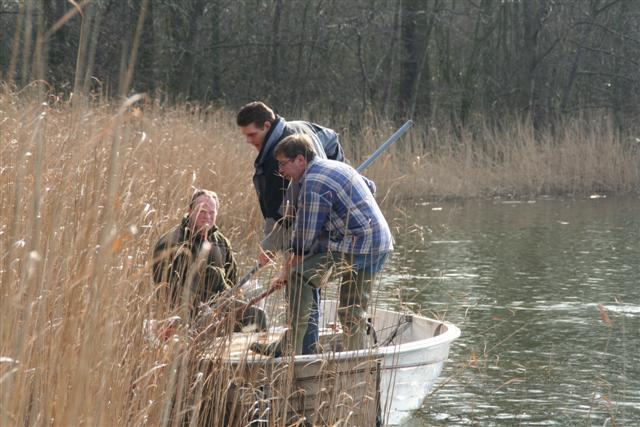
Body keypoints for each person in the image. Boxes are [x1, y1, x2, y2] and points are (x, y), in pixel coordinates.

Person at [250, 134, 393, 357]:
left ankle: (292, 350)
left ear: (300, 160)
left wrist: (287, 271)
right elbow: (370, 187)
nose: (280, 170)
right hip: (381, 243)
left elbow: (304, 240)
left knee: (299, 277)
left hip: (356, 246)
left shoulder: (313, 183)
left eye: (283, 164)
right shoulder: (335, 166)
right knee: (352, 310)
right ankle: (355, 358)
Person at [237, 101, 345, 353]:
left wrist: (270, 247)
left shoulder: (280, 153)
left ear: (267, 125)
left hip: (310, 224)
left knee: (300, 280)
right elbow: (331, 137)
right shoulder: (295, 130)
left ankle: (303, 349)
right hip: (303, 222)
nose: (249, 141)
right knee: (302, 280)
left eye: (252, 134)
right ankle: (301, 344)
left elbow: (284, 212)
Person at [152, 189, 267, 332]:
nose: (207, 217)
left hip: (219, 309)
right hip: (186, 316)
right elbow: (164, 291)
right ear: (190, 211)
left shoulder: (221, 242)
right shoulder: (170, 243)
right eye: (202, 211)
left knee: (257, 315)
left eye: (212, 213)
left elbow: (232, 281)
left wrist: (226, 303)